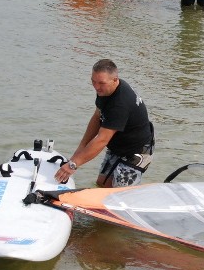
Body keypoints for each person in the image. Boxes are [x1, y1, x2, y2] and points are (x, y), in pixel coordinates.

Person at [54, 59, 154, 188]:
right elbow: (97, 117)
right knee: (102, 184)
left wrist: (73, 164)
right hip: (117, 146)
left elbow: (102, 140)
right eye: (93, 81)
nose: (96, 87)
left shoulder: (120, 104)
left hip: (136, 151)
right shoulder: (105, 90)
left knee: (120, 195)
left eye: (101, 83)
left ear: (115, 79)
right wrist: (80, 149)